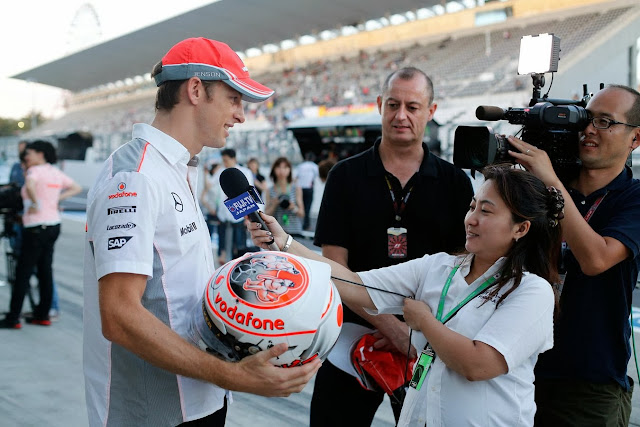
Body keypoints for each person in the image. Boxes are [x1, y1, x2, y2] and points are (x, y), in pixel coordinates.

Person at [81, 37, 320, 427]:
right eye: (234, 99)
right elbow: (119, 315)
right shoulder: (136, 177)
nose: (241, 115)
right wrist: (233, 376)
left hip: (202, 397)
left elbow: (177, 289)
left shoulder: (177, 168)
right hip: (153, 414)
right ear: (195, 90)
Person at [248, 164, 563, 426]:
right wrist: (285, 244)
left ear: (521, 229)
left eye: (486, 211)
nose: (471, 219)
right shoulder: (439, 267)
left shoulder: (531, 291)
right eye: (472, 207)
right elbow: (354, 284)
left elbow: (478, 365)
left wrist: (424, 322)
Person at [310, 66, 474, 425]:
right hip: (352, 338)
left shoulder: (455, 183)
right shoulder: (344, 176)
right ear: (379, 105)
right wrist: (393, 329)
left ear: (431, 111)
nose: (401, 116)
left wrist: (418, 333)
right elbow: (335, 266)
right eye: (393, 105)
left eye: (412, 107)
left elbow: (462, 270)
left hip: (426, 345)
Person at [507, 84, 640, 426]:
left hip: (590, 384)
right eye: (586, 118)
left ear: (635, 138)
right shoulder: (543, 185)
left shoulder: (633, 197)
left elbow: (596, 259)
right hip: (518, 368)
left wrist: (550, 182)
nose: (589, 130)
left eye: (605, 122)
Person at [0, 141, 81, 328]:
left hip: (35, 226)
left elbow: (29, 186)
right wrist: (55, 200)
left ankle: (13, 317)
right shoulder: (54, 172)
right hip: (53, 225)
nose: (27, 157)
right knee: (45, 271)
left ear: (40, 154)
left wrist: (36, 203)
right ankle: (42, 315)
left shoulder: (34, 171)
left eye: (29, 153)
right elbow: (75, 187)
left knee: (23, 273)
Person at [212, 148, 254, 265]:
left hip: (240, 212)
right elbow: (211, 186)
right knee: (223, 240)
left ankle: (239, 263)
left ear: (233, 159)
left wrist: (248, 216)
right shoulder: (220, 172)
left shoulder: (245, 172)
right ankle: (224, 260)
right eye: (223, 160)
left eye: (226, 160)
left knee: (239, 242)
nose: (225, 163)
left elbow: (249, 193)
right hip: (223, 212)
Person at [265, 157, 304, 237]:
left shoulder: (296, 189)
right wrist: (274, 205)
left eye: (285, 167)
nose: (282, 170)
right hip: (277, 231)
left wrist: (293, 207)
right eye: (278, 167)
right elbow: (266, 214)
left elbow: (302, 213)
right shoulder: (270, 190)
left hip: (294, 230)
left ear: (290, 170)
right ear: (274, 170)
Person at [294, 151, 319, 230]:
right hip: (309, 188)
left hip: (300, 189)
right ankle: (306, 225)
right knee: (307, 208)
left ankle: (299, 224)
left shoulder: (301, 166)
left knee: (300, 207)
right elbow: (317, 176)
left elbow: (295, 177)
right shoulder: (314, 166)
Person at [199, 162, 221, 243]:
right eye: (218, 169)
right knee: (209, 236)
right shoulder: (209, 182)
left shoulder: (218, 183)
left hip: (219, 213)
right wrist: (210, 209)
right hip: (210, 212)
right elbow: (202, 198)